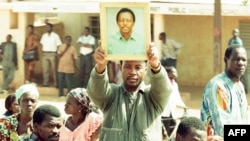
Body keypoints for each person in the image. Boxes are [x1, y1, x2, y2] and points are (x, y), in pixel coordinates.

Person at [87, 42, 173, 140]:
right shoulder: (111, 95)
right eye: (128, 66)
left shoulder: (153, 98)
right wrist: (100, 65)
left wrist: (155, 65)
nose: (132, 72)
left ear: (146, 69)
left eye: (138, 67)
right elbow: (96, 92)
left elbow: (164, 89)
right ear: (120, 68)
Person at [201, 44, 248, 137]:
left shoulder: (240, 85)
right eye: (236, 59)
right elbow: (223, 129)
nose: (241, 63)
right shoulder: (219, 86)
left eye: (244, 60)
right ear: (226, 60)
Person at [162, 66, 187, 138]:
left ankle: (166, 138)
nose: (175, 74)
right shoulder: (162, 84)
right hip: (163, 111)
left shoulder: (175, 84)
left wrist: (183, 106)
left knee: (172, 125)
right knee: (164, 129)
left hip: (171, 111)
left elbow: (177, 97)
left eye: (176, 72)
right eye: (173, 72)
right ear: (167, 74)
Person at [40, 23, 62, 87]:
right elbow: (42, 44)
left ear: (51, 28)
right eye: (46, 27)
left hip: (53, 54)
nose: (47, 28)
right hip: (45, 53)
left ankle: (56, 83)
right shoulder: (44, 35)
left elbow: (58, 45)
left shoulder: (55, 35)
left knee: (54, 69)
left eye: (49, 27)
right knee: (45, 69)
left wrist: (57, 54)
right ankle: (45, 83)